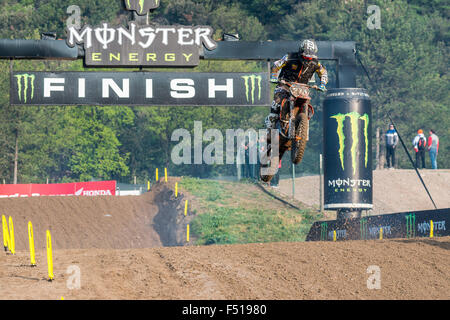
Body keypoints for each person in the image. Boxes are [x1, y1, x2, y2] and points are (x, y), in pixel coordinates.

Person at [265, 39, 328, 133]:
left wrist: (322, 84)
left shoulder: (316, 63)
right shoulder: (289, 57)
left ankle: (303, 132)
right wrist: (274, 76)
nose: (308, 59)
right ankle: (269, 130)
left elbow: (323, 73)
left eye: (310, 58)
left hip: (302, 88)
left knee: (306, 106)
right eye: (306, 57)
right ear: (301, 51)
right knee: (276, 104)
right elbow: (276, 65)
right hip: (285, 85)